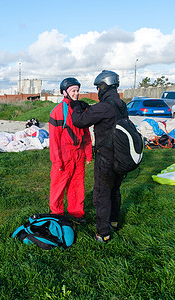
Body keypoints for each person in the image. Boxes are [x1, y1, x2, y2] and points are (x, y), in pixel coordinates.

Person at [71, 70, 127, 242]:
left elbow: (79, 121)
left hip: (106, 157)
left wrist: (76, 107)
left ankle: (103, 233)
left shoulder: (104, 106)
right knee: (115, 191)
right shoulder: (121, 104)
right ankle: (114, 221)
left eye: (98, 87)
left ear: (104, 86)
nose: (97, 91)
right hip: (120, 157)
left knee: (102, 194)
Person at [48, 77, 92, 223]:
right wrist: (57, 161)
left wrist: (88, 154)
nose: (76, 93)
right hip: (64, 155)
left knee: (77, 185)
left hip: (78, 154)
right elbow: (54, 140)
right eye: (73, 91)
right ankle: (57, 215)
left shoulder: (80, 109)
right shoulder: (57, 112)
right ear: (64, 92)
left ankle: (76, 214)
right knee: (58, 186)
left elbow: (86, 133)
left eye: (77, 90)